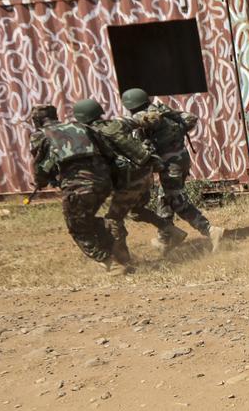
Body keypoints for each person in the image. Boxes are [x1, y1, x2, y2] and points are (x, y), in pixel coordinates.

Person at [79, 102, 185, 266]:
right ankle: (172, 230)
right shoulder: (117, 123)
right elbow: (144, 119)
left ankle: (123, 262)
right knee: (136, 211)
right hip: (145, 175)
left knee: (113, 219)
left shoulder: (90, 134)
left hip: (128, 181)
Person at [120, 88, 224, 254]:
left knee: (177, 200)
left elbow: (140, 146)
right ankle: (166, 238)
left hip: (170, 165)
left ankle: (210, 230)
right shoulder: (163, 110)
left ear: (130, 106)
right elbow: (189, 119)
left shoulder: (145, 119)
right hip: (181, 159)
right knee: (165, 197)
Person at [30, 99, 128, 274]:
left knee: (78, 228)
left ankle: (110, 261)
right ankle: (120, 252)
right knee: (87, 219)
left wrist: (40, 182)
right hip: (104, 183)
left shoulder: (40, 135)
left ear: (36, 121)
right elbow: (109, 153)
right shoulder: (82, 127)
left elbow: (40, 167)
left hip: (78, 188)